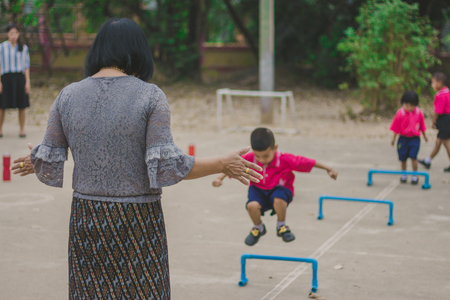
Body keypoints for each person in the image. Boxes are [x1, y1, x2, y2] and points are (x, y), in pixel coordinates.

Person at [11, 18, 263, 300]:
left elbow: (50, 152)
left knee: (90, 292)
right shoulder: (150, 96)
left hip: (86, 216)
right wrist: (222, 163)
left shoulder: (67, 95)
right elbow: (168, 166)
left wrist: (36, 159)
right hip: (136, 220)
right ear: (138, 52)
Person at [212, 127, 338, 246]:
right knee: (251, 206)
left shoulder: (285, 159)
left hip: (280, 189)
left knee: (279, 200)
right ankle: (258, 228)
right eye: (258, 156)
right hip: (258, 189)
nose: (262, 160)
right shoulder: (250, 159)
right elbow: (233, 165)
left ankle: (281, 226)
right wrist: (219, 178)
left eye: (266, 156)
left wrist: (329, 168)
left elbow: (306, 162)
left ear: (275, 148)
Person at [389, 91, 428, 184]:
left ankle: (414, 175)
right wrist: (393, 138)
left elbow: (422, 125)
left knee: (413, 158)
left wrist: (425, 136)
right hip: (403, 139)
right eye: (407, 105)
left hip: (414, 139)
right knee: (403, 159)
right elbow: (395, 127)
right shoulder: (400, 113)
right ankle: (404, 174)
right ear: (403, 103)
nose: (409, 108)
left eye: (412, 106)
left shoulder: (418, 113)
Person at [0, 23, 31, 138]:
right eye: (11, 33)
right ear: (7, 34)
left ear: (18, 34)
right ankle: (0, 130)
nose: (13, 36)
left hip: (19, 78)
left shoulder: (23, 48)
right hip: (6, 77)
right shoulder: (2, 47)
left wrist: (27, 82)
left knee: (22, 105)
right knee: (2, 105)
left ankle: (22, 130)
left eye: (16, 33)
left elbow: (26, 66)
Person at [418, 72, 450, 172]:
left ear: (439, 83)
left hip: (445, 119)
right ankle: (428, 160)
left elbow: (438, 111)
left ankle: (428, 160)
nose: (432, 85)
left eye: (433, 83)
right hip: (447, 119)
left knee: (446, 142)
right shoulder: (447, 91)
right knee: (439, 142)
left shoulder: (440, 95)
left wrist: (433, 121)